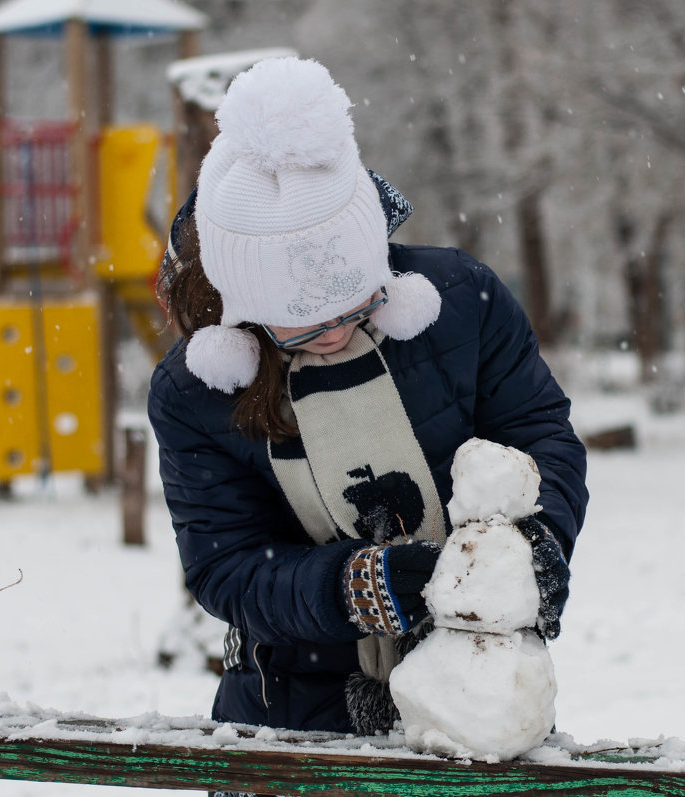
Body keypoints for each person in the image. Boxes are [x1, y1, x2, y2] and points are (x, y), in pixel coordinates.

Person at [148, 57, 587, 739]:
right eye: (309, 322)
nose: (339, 332)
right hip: (288, 709)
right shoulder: (195, 391)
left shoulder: (461, 302)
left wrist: (534, 543)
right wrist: (351, 587)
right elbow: (226, 563)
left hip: (480, 696)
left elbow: (540, 436)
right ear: (244, 308)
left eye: (361, 303)